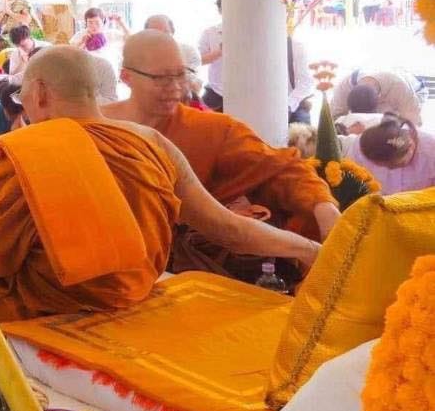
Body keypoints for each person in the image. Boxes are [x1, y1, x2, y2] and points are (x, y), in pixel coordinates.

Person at [0, 47, 321, 321]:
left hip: (46, 312)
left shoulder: (27, 152)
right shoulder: (149, 141)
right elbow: (227, 227)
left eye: (23, 95)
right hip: (135, 298)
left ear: (40, 93)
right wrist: (310, 249)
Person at [104, 31, 339, 283]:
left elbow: (281, 169)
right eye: (160, 78)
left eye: (181, 75)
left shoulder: (210, 130)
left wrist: (322, 205)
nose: (174, 88)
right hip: (105, 266)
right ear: (126, 76)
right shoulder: (95, 126)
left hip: (183, 274)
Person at [349, 115, 435, 194]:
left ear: (411, 146)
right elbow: (353, 184)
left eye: (397, 165)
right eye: (381, 166)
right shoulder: (360, 147)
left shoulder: (431, 150)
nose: (390, 170)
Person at [330, 69, 422, 123]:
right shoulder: (343, 88)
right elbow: (333, 118)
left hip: (416, 88)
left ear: (379, 98)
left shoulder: (399, 87)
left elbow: (414, 123)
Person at [199, 0, 225, 111]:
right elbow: (199, 61)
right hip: (217, 91)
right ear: (220, 10)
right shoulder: (210, 33)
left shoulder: (250, 32)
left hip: (246, 92)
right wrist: (219, 52)